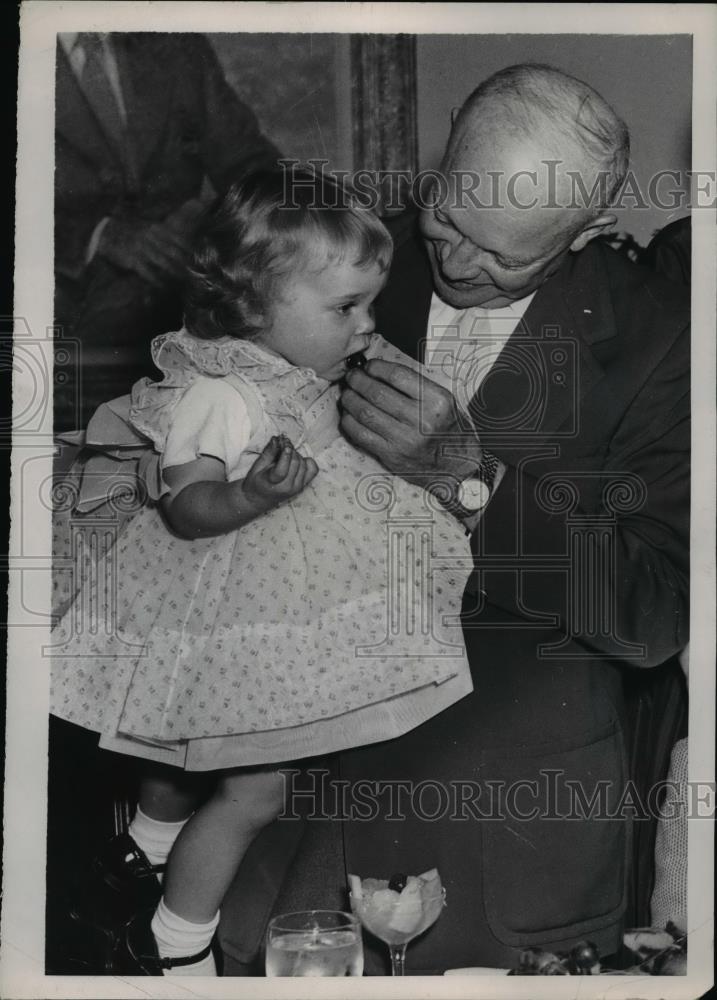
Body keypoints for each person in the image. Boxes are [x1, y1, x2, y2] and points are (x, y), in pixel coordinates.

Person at [217, 64, 690, 975]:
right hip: (290, 808)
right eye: (444, 218)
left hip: (502, 824)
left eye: (505, 255)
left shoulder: (664, 332)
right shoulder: (329, 258)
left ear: (588, 230)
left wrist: (470, 484)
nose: (456, 262)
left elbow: (656, 614)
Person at [50, 170, 476, 975]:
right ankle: (172, 946)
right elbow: (187, 505)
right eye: (343, 308)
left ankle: (134, 864)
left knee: (193, 768)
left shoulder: (296, 363)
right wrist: (249, 492)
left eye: (368, 303)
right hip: (229, 606)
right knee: (255, 793)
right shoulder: (222, 392)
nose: (365, 324)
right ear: (255, 308)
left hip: (274, 607)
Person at [54, 32, 280, 430]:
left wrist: (207, 220)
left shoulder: (176, 46)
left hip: (180, 304)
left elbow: (254, 166)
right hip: (57, 318)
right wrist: (98, 235)